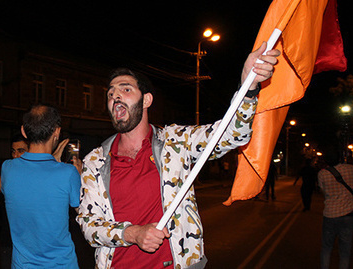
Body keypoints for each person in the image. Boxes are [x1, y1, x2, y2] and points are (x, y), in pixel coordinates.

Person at [76, 42, 280, 268]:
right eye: (110, 94)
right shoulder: (95, 161)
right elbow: (89, 225)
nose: (115, 97)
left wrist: (248, 85)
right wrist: (133, 234)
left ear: (146, 100)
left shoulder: (176, 141)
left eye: (125, 89)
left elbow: (233, 133)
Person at [1, 104, 81, 268]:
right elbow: (83, 214)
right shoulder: (68, 174)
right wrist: (79, 176)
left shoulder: (7, 169)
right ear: (57, 132)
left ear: (24, 131)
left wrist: (53, 162)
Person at [0, 133, 29, 269]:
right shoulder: (8, 171)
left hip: (32, 244)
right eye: (13, 152)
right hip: (10, 242)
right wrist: (8, 172)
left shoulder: (37, 173)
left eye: (21, 151)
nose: (15, 156)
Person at [318, 144, 353, 269]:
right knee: (345, 249)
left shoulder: (322, 174)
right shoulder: (351, 169)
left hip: (330, 214)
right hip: (348, 214)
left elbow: (323, 192)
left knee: (326, 247)